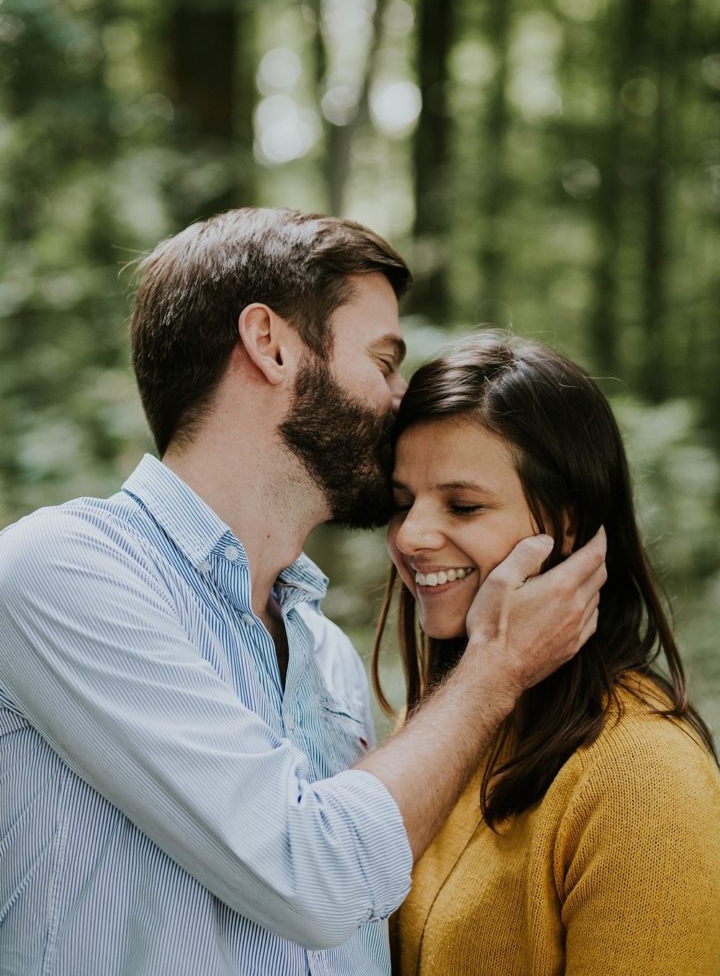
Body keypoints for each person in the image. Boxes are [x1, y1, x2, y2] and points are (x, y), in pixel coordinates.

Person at [0, 209, 606, 976]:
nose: (397, 399)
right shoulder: (62, 573)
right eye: (383, 361)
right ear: (272, 345)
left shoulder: (326, 655)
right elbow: (314, 875)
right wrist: (495, 666)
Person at [372, 330, 720, 976]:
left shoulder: (644, 776)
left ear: (564, 524)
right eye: (402, 503)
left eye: (463, 504)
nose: (411, 535)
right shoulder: (439, 728)